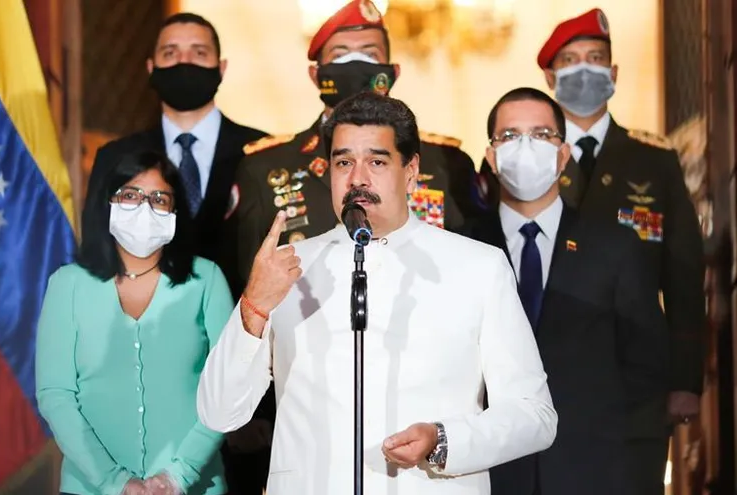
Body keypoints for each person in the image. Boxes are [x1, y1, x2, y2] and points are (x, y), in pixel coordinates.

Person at [196, 92, 557, 495]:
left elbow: (535, 415)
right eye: (343, 162)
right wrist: (254, 306)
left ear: (411, 171)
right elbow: (218, 412)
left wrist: (442, 440)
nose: (357, 178)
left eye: (377, 162)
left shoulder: (478, 267)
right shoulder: (285, 269)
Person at [461, 87, 669, 495]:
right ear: (491, 157)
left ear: (562, 154)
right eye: (510, 135)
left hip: (594, 469)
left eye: (541, 134)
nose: (525, 147)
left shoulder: (615, 247)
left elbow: (646, 367)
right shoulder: (462, 247)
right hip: (490, 472)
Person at [536, 9, 705, 494]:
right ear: (550, 77)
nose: (584, 69)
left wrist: (685, 379)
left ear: (613, 73)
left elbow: (684, 276)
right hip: (547, 375)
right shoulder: (528, 157)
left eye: (595, 59)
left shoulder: (654, 160)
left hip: (636, 381)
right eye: (570, 60)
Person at [232, 0, 479, 288]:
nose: (355, 65)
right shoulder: (264, 167)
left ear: (393, 72)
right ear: (316, 74)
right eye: (340, 55)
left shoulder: (445, 162)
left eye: (369, 54)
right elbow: (249, 281)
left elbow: (471, 265)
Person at [36, 150, 232, 495]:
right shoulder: (68, 284)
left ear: (175, 213)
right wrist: (114, 482)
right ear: (108, 203)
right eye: (130, 195)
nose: (145, 207)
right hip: (89, 488)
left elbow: (228, 388)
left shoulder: (207, 280)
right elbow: (56, 394)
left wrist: (178, 476)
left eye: (159, 199)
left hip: (195, 486)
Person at [90, 12, 267, 298]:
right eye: (170, 53)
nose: (184, 62)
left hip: (244, 316)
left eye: (199, 53)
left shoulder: (262, 151)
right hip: (143, 316)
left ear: (221, 68)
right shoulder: (115, 157)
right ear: (151, 68)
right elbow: (98, 250)